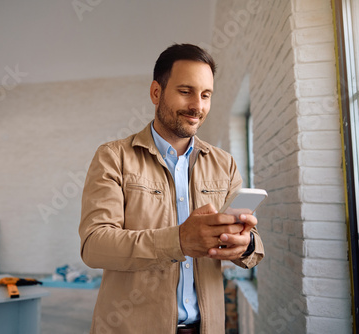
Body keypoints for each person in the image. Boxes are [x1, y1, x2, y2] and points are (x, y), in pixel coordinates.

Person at [79, 44, 264, 333]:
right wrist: (178, 240)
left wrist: (246, 245)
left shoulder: (224, 163)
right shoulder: (114, 157)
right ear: (156, 92)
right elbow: (94, 245)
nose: (197, 106)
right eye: (185, 91)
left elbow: (254, 247)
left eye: (206, 95)